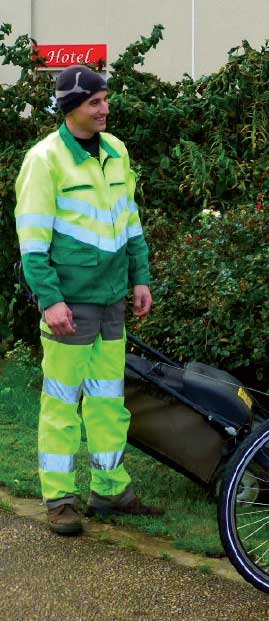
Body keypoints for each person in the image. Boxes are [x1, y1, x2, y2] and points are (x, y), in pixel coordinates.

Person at [15, 64, 162, 535]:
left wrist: (140, 278)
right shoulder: (45, 160)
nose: (105, 108)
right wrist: (50, 300)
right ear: (72, 107)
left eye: (105, 99)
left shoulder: (116, 151)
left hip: (111, 299)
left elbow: (130, 224)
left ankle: (110, 488)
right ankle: (59, 499)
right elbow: (32, 245)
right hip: (68, 306)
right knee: (61, 403)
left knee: (107, 400)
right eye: (95, 102)